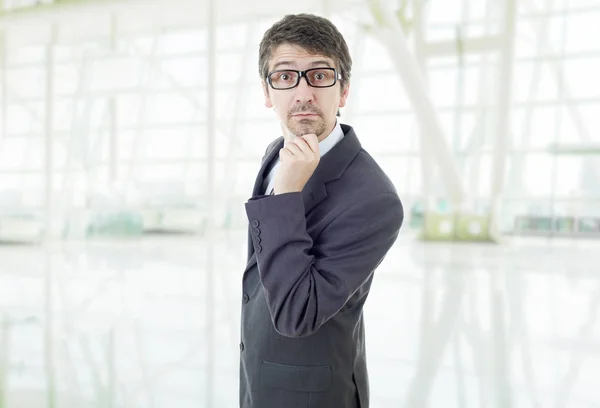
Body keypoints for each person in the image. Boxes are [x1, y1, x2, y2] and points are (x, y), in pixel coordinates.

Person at [239, 13, 404, 408]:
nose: (302, 93)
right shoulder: (275, 154)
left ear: (342, 91)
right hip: (259, 380)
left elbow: (298, 313)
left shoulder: (375, 199)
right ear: (267, 93)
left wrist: (287, 196)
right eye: (284, 77)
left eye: (319, 75)